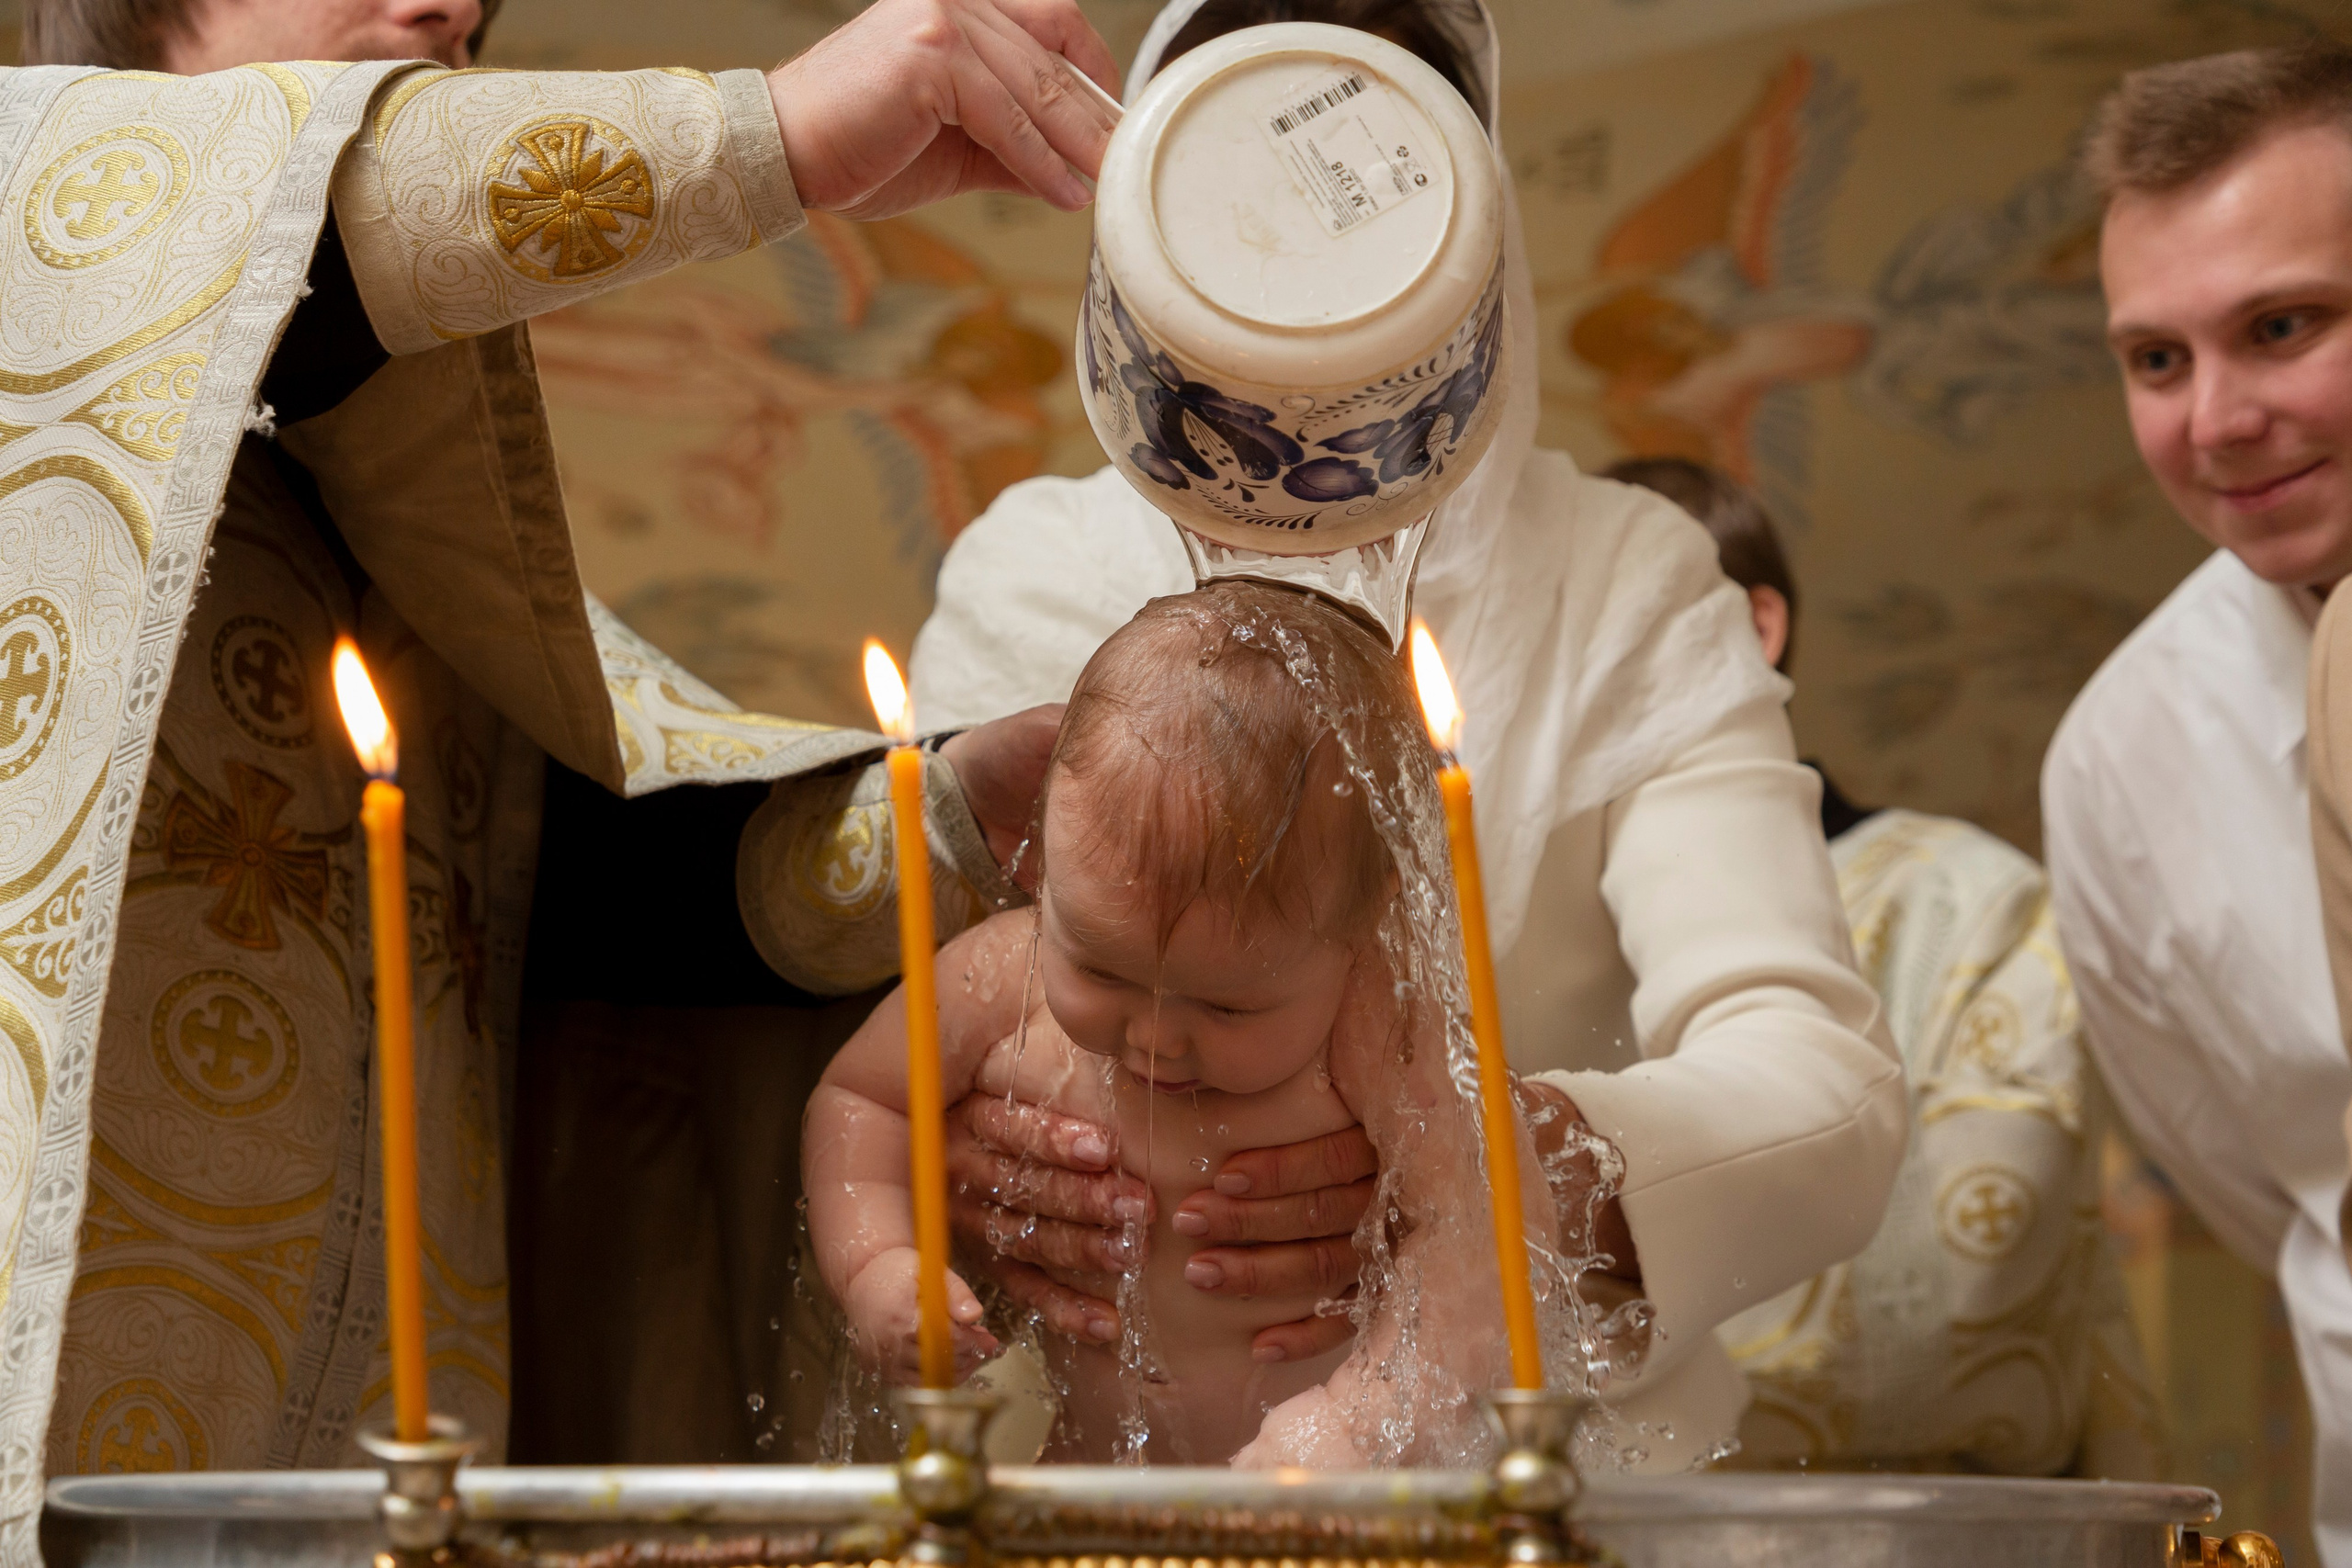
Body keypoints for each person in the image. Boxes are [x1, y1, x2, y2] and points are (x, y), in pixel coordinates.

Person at [0, 0, 1120, 1524]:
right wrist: (768, 136)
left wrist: (949, 812)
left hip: (380, 1483)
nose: (455, 13)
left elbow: (602, 895)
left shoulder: (404, 543)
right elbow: (290, 221)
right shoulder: (30, 214)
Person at [909, 0, 1907, 1469]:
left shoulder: (1623, 576)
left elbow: (1830, 1094)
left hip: (1560, 1476)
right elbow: (911, 1027)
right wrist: (957, 1150)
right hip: (1101, 1464)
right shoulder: (1036, 567)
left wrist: (1505, 1163)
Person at [813, 580, 1557, 1465]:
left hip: (1338, 1489)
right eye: (1100, 968)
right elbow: (862, 1099)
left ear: (1362, 925)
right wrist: (876, 1265)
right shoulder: (1001, 973)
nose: (1157, 1037)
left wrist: (1354, 1427)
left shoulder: (1372, 1020)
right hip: (1090, 1467)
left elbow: (1496, 1227)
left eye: (1227, 1004)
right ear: (1040, 860)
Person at [1612, 457, 2164, 1477]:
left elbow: (1977, 1292)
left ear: (1754, 630)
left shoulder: (1974, 901)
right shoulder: (1517, 917)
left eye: (1612, 629)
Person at [2041, 40, 2352, 1560]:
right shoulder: (2119, 766)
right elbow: (2273, 1194)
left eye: (2282, 326)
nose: (2214, 420)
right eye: (2157, 360)